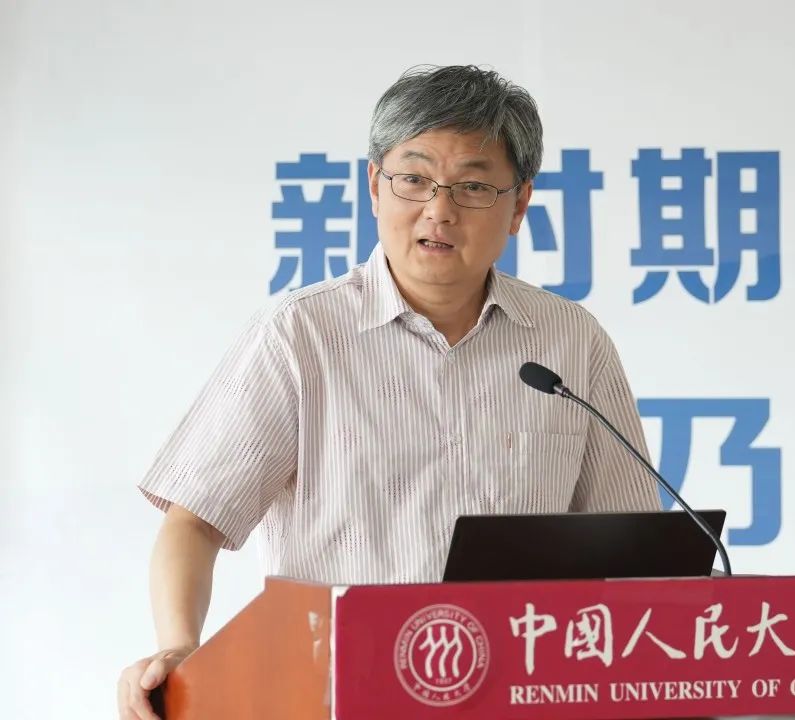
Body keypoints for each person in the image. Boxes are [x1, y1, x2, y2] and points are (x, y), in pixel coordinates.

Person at [116, 64, 660, 720]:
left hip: (522, 699)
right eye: (414, 179)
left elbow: (637, 548)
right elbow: (196, 519)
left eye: (473, 186)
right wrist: (179, 646)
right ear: (375, 186)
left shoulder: (571, 341)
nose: (439, 210)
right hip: (333, 697)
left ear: (519, 205)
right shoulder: (301, 335)